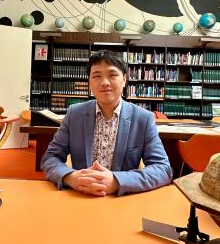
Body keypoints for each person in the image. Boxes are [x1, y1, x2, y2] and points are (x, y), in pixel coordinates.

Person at [41, 50, 173, 196]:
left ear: (124, 79)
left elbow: (163, 169)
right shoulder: (74, 114)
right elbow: (50, 158)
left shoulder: (143, 118)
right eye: (96, 76)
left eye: (112, 75)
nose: (104, 82)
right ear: (89, 82)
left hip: (121, 199)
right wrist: (71, 177)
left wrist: (118, 181)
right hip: (80, 196)